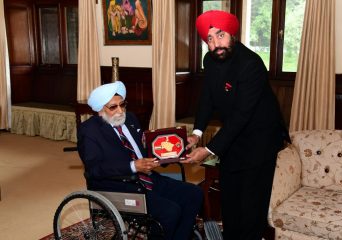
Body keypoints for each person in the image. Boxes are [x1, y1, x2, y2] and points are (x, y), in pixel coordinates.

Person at [183, 10, 290, 240]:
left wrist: (209, 149)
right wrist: (197, 133)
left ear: (232, 34)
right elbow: (208, 97)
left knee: (251, 206)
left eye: (220, 35)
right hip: (233, 139)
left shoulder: (250, 64)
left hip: (260, 140)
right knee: (230, 199)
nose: (216, 44)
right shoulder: (209, 60)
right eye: (209, 39)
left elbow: (242, 115)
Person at [77, 81, 203, 240]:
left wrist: (171, 153)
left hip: (146, 178)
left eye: (122, 104)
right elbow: (94, 169)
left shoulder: (130, 118)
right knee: (171, 210)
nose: (120, 111)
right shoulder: (89, 130)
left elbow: (146, 150)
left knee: (194, 193)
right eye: (113, 107)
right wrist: (132, 166)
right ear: (100, 110)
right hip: (117, 187)